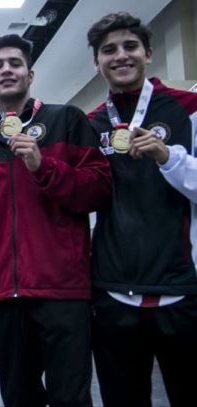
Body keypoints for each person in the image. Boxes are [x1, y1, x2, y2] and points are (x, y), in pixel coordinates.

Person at [0, 34, 112, 406]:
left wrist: (42, 166)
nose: (6, 71)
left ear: (30, 74)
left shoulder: (66, 119)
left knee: (71, 399)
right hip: (4, 296)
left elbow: (98, 190)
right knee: (18, 398)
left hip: (62, 292)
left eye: (15, 63)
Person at [86, 12, 197, 406]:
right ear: (97, 62)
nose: (120, 55)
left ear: (148, 53)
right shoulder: (91, 123)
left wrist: (169, 158)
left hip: (182, 289)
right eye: (109, 50)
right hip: (114, 292)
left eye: (130, 46)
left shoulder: (189, 108)